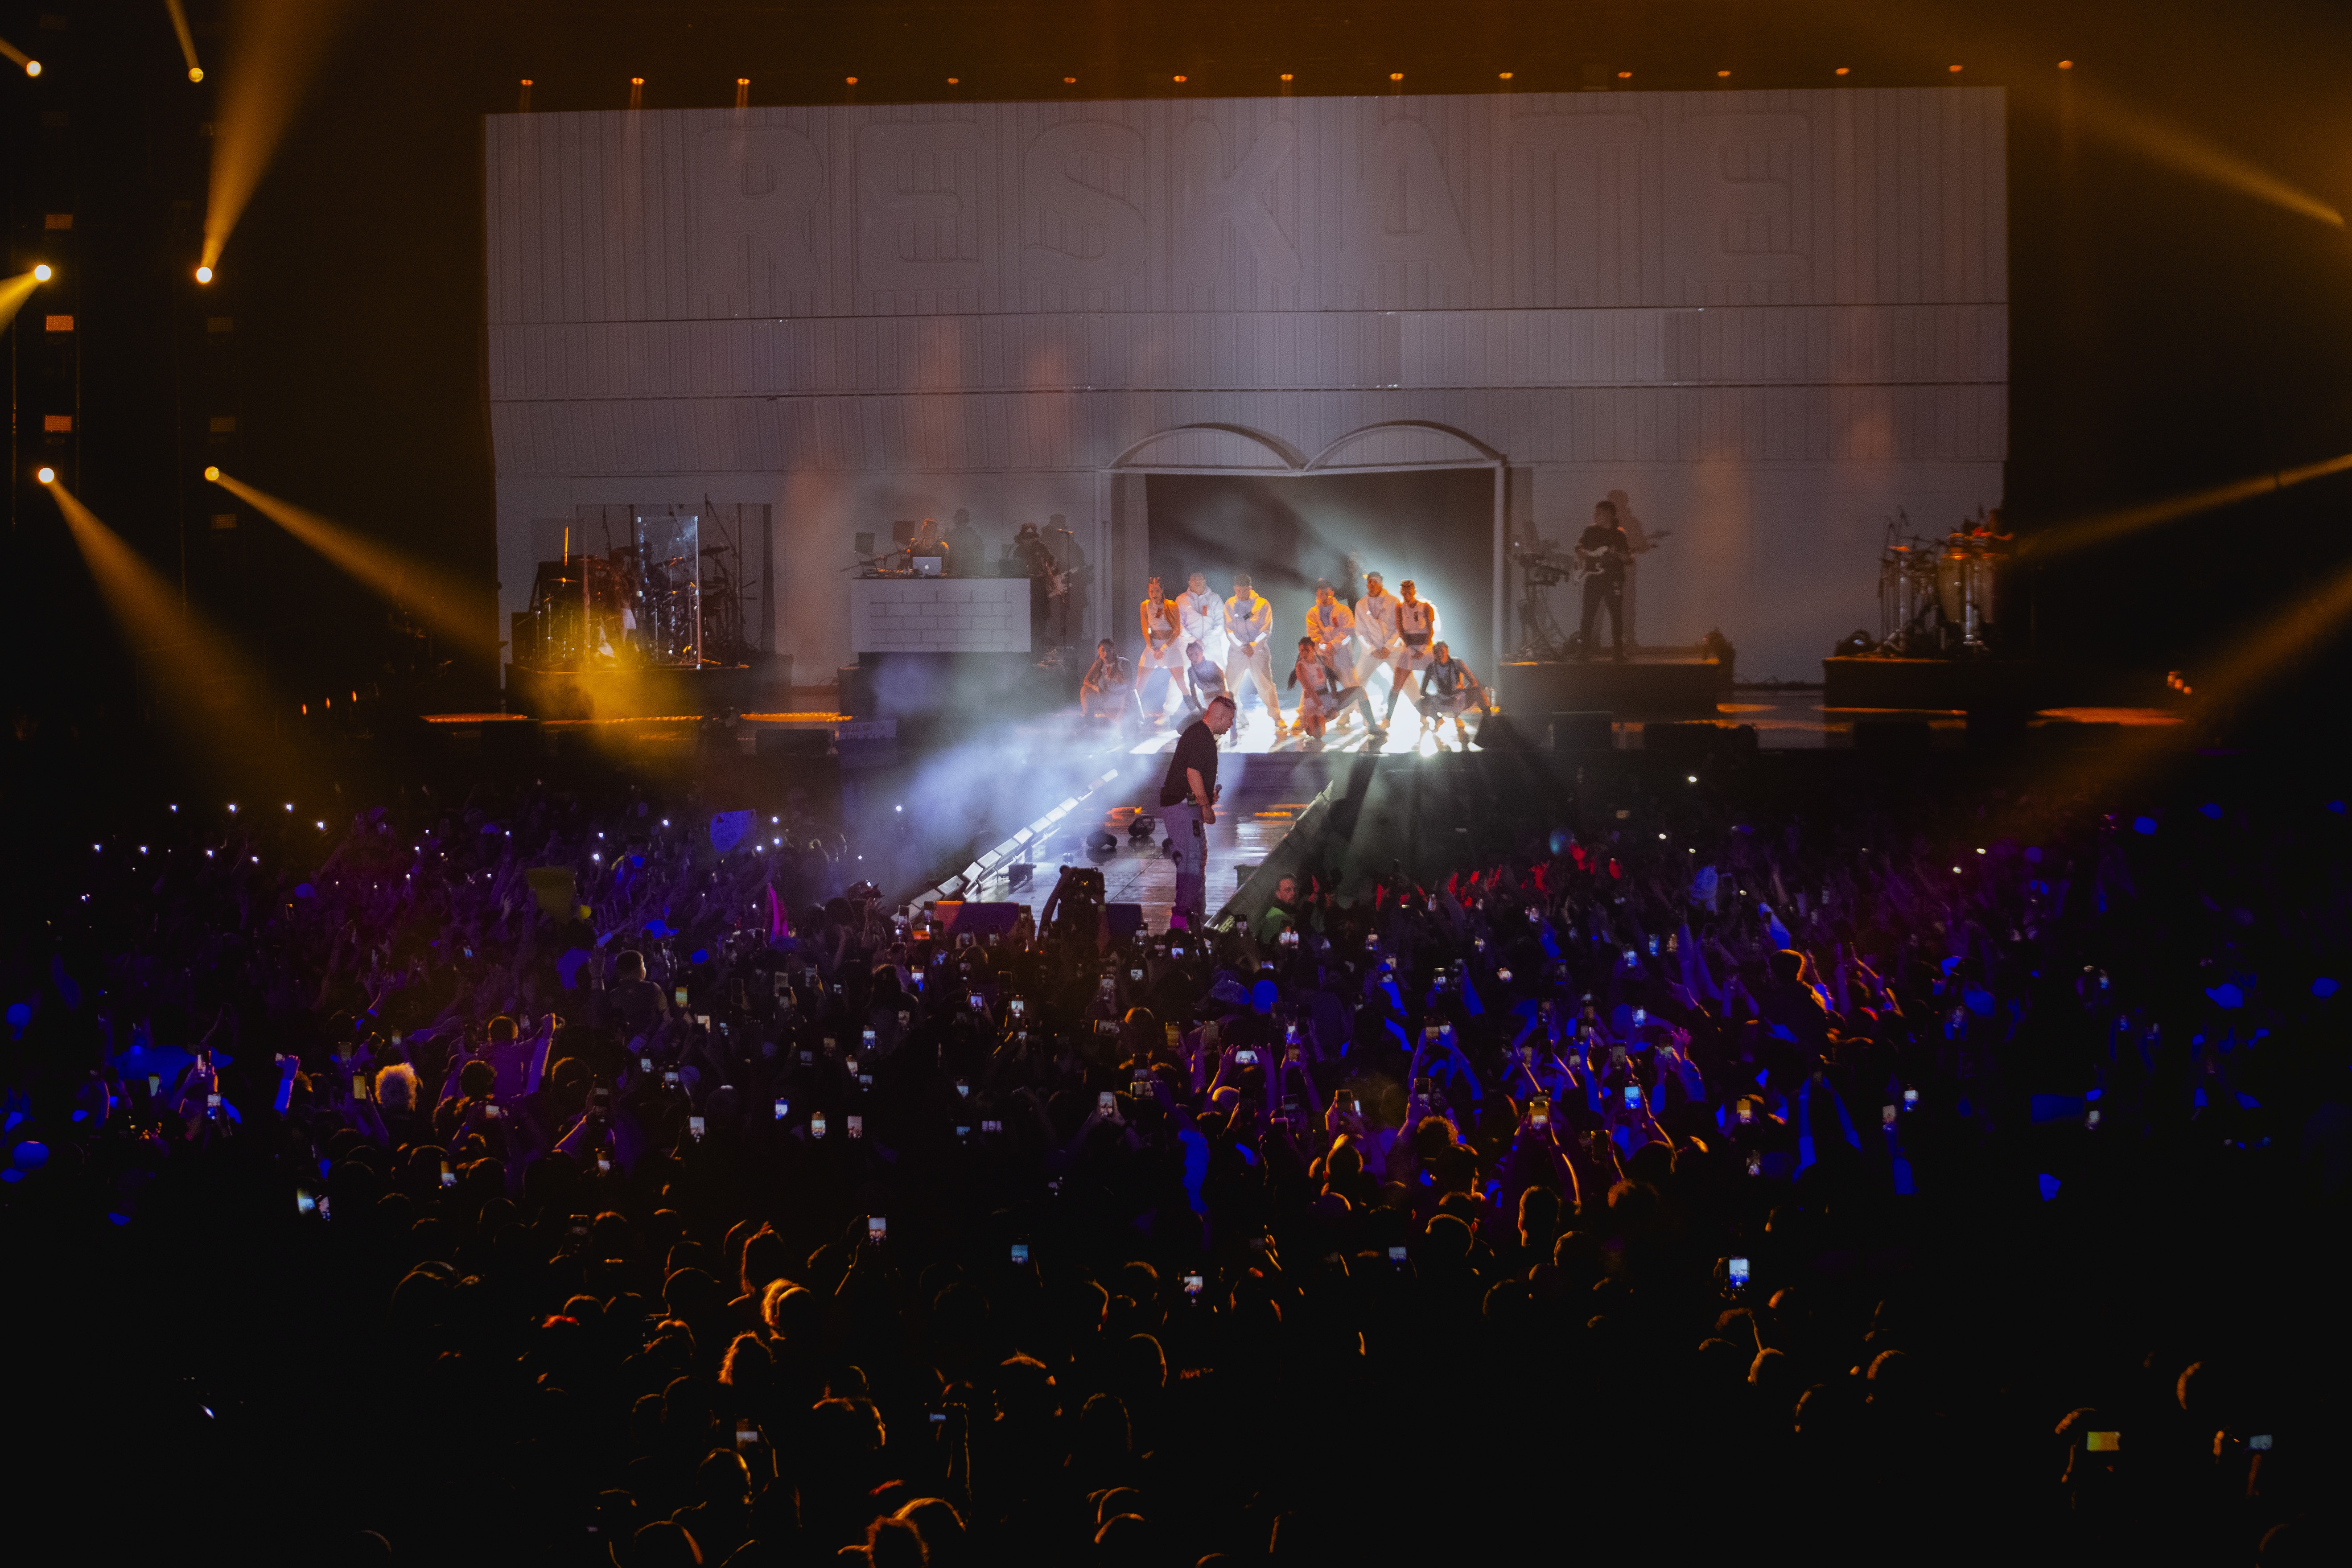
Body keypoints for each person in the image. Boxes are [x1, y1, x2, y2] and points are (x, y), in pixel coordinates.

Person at [1158, 692, 1235, 924]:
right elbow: (1192, 773)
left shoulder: (1201, 735)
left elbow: (1194, 774)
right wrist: (1206, 806)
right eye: (1230, 719)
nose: (1231, 725)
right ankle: (1181, 923)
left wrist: (1207, 795)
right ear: (1219, 717)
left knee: (1197, 857)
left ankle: (1196, 918)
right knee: (1191, 859)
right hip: (1182, 808)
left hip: (1185, 806)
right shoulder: (1201, 736)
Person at [1286, 636, 1384, 744]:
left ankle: (1372, 726)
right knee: (1317, 733)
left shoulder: (1322, 662)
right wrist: (1324, 710)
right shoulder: (1300, 666)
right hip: (1314, 705)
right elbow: (1311, 692)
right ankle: (1309, 723)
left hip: (1327, 700)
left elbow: (1333, 684)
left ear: (1313, 649)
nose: (1304, 653)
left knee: (1360, 691)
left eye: (1307, 650)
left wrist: (1334, 705)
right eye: (1301, 651)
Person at [1222, 573, 1286, 736]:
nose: (1241, 594)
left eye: (1245, 590)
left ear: (1250, 589)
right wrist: (1241, 646)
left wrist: (1254, 646)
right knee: (1231, 686)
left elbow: (1266, 629)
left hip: (1258, 651)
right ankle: (1228, 720)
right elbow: (1229, 630)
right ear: (1235, 589)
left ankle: (1277, 717)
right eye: (1238, 590)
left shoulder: (1262, 604)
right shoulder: (1230, 604)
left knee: (1265, 685)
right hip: (1238, 651)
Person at [1575, 498, 1632, 662]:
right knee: (1588, 615)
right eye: (1596, 513)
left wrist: (1623, 556)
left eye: (1599, 513)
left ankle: (1618, 652)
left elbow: (1626, 558)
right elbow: (1579, 546)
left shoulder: (1619, 535)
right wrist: (1582, 553)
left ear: (1608, 515)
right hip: (1593, 578)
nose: (1596, 516)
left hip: (1613, 579)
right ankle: (1583, 651)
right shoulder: (1590, 531)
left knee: (1616, 616)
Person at [1382, 579, 1438, 727]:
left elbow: (1430, 631)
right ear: (1401, 592)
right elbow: (1401, 630)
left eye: (1409, 590)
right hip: (1409, 648)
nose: (1407, 593)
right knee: (1397, 685)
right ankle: (1387, 720)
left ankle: (1445, 717)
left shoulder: (1426, 607)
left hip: (1426, 648)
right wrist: (1410, 648)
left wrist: (1423, 649)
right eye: (1404, 590)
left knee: (1439, 681)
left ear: (1414, 591)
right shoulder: (1399, 608)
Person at [1304, 582, 1358, 733]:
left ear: (1332, 593)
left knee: (1352, 686)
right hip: (1322, 657)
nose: (1323, 597)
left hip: (1342, 655)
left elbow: (1349, 633)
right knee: (1312, 685)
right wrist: (1325, 648)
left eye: (1326, 593)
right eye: (1320, 594)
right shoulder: (1312, 613)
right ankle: (1303, 716)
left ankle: (1364, 718)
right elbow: (1313, 636)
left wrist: (1334, 646)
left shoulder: (1344, 610)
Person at [1417, 640, 1491, 746]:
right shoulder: (1431, 668)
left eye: (1441, 650)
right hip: (1442, 701)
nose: (1439, 654)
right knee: (1420, 704)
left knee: (1478, 692)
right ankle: (1437, 719)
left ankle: (1489, 724)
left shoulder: (1457, 663)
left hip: (1460, 699)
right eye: (1436, 652)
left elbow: (1473, 682)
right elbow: (1423, 691)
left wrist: (1460, 695)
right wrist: (1438, 700)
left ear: (1447, 651)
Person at [1137, 576, 1186, 727]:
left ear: (1162, 590)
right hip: (1153, 647)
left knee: (1181, 683)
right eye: (1152, 591)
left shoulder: (1171, 605)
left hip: (1170, 647)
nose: (1154, 594)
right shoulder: (1145, 605)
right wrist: (1152, 648)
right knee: (1139, 684)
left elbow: (1177, 630)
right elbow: (1145, 628)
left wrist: (1164, 648)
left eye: (1157, 591)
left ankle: (1195, 712)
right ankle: (1134, 715)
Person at [1353, 570, 1401, 705]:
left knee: (1407, 679)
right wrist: (1372, 649)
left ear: (1382, 584)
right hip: (1371, 650)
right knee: (1358, 680)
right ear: (1367, 585)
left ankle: (1423, 710)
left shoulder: (1394, 602)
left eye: (1376, 581)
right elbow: (1360, 632)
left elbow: (1400, 629)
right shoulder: (1361, 604)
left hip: (1393, 650)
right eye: (1370, 582)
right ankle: (1348, 711)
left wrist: (1389, 647)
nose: (1373, 584)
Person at [1178, 639, 1230, 736]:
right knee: (1181, 728)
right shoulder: (1191, 671)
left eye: (1196, 654)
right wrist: (1200, 708)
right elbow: (1193, 693)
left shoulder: (1213, 665)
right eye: (1191, 655)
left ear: (1202, 652)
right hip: (1206, 707)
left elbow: (1224, 689)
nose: (1194, 657)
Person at [1079, 639, 1135, 725]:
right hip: (1107, 697)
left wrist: (1124, 707)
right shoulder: (1100, 663)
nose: (1106, 653)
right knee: (1085, 690)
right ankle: (1089, 724)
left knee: (1119, 723)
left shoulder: (1123, 663)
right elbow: (1086, 680)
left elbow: (1130, 686)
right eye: (1103, 651)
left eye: (1109, 650)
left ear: (1113, 650)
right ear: (1099, 652)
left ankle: (1123, 717)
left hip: (1123, 698)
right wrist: (1098, 689)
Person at [1177, 571, 1225, 668]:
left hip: (1211, 646)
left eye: (1200, 578)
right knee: (1187, 674)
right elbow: (1178, 624)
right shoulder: (1181, 599)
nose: (1197, 581)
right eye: (1194, 578)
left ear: (1204, 581)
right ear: (1189, 582)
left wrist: (1204, 641)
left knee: (1217, 674)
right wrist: (1194, 641)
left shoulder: (1215, 598)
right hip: (1189, 647)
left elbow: (1221, 623)